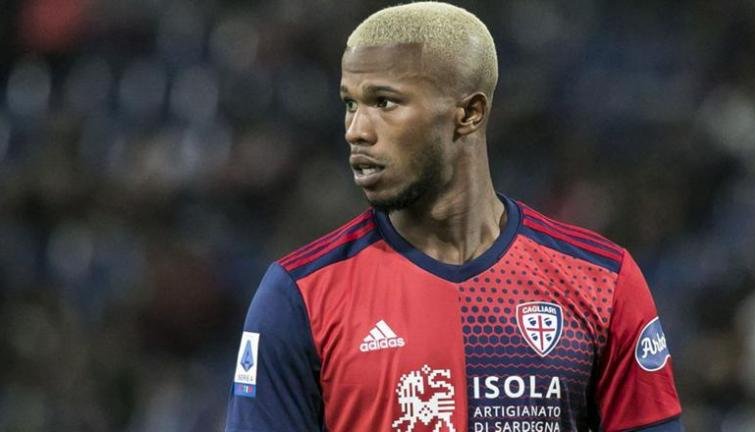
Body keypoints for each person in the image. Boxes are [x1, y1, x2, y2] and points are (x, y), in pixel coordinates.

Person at [224, 2, 683, 431]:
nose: (356, 130)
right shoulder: (299, 295)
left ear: (469, 113)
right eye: (350, 103)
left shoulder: (601, 282)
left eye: (384, 102)